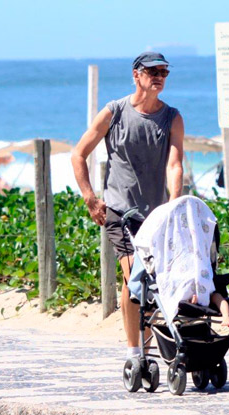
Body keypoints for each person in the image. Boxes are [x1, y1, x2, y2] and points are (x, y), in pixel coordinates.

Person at [71, 52, 185, 358]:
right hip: (120, 211)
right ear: (137, 75)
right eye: (152, 71)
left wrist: (174, 204)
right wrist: (90, 199)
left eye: (164, 71)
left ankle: (145, 344)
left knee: (145, 281)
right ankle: (136, 351)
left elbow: (174, 165)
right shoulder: (114, 111)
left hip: (156, 215)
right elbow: (78, 154)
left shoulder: (172, 117)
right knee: (136, 274)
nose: (159, 76)